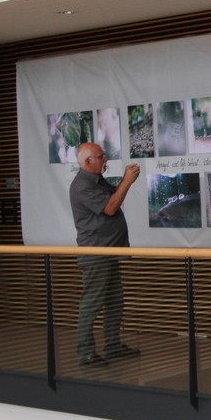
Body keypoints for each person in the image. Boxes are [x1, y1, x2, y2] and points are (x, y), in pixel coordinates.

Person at [69, 142, 141, 366]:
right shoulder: (82, 185)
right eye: (101, 156)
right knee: (92, 303)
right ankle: (86, 353)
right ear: (88, 161)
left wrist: (124, 183)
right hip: (96, 254)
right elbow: (110, 208)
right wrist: (127, 182)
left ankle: (112, 346)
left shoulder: (97, 180)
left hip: (108, 251)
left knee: (114, 301)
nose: (105, 159)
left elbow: (112, 200)